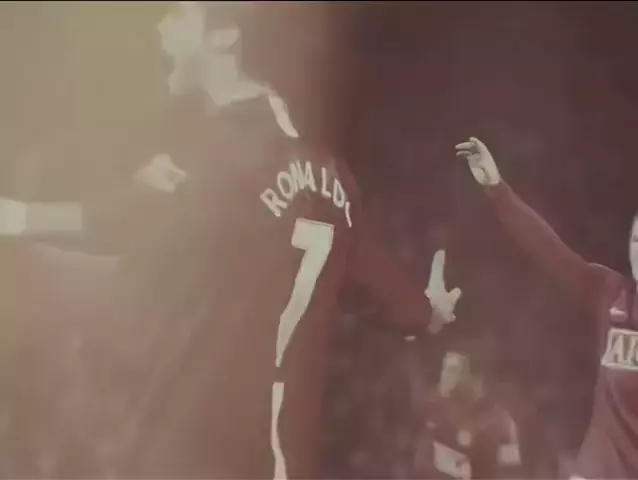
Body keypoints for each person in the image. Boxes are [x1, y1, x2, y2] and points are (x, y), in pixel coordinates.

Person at [0, 3, 461, 478]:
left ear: (225, 37)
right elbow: (391, 293)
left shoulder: (224, 156)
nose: (162, 28)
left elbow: (121, 224)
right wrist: (431, 311)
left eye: (178, 15)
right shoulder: (335, 183)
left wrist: (16, 216)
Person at [455, 136, 638, 478]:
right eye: (635, 239)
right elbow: (550, 250)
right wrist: (499, 190)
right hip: (597, 470)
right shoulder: (610, 291)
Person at [410, 345, 521, 479]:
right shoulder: (433, 413)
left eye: (452, 370)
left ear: (475, 378)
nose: (443, 376)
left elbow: (510, 473)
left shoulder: (500, 423)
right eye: (443, 369)